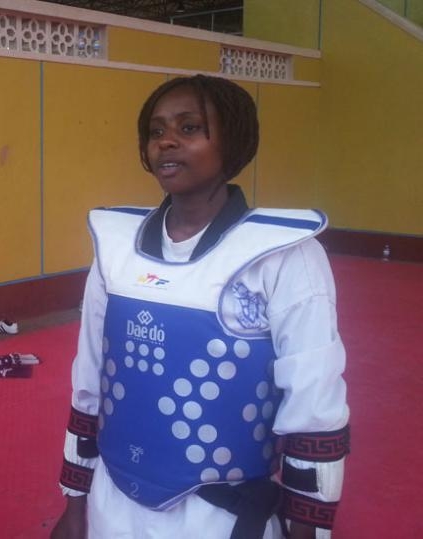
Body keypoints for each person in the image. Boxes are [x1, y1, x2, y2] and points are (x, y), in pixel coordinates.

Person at [51, 74, 349, 539]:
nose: (167, 141)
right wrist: (75, 504)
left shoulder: (282, 254)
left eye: (189, 128)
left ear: (233, 141)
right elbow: (89, 385)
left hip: (220, 518)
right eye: (156, 131)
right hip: (113, 504)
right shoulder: (115, 248)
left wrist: (307, 528)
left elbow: (315, 409)